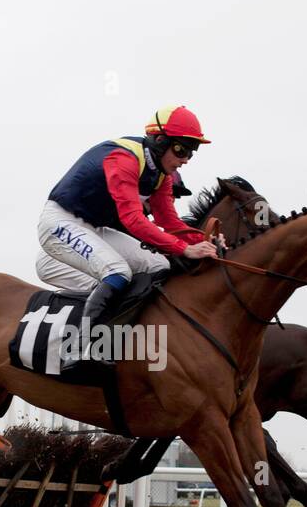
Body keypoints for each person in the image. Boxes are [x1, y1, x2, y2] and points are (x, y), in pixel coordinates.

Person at [34, 105, 219, 349]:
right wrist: (184, 249)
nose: (185, 159)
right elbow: (133, 219)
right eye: (181, 149)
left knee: (159, 264)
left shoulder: (161, 176)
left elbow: (170, 223)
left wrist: (205, 240)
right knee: (118, 271)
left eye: (190, 153)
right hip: (59, 221)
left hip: (94, 229)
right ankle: (81, 348)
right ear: (160, 141)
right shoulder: (123, 159)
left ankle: (124, 334)